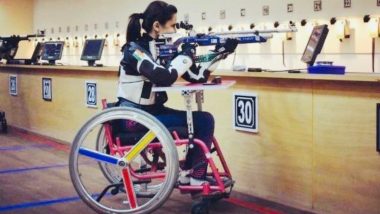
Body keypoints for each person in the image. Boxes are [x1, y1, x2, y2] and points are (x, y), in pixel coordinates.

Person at [117, 0, 238, 185]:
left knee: (204, 119)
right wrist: (184, 56)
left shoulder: (164, 50)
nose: (176, 30)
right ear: (157, 26)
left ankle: (192, 173)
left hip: (152, 113)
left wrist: (220, 53)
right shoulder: (133, 50)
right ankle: (195, 176)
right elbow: (163, 76)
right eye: (173, 25)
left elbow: (198, 76)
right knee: (203, 121)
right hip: (134, 118)